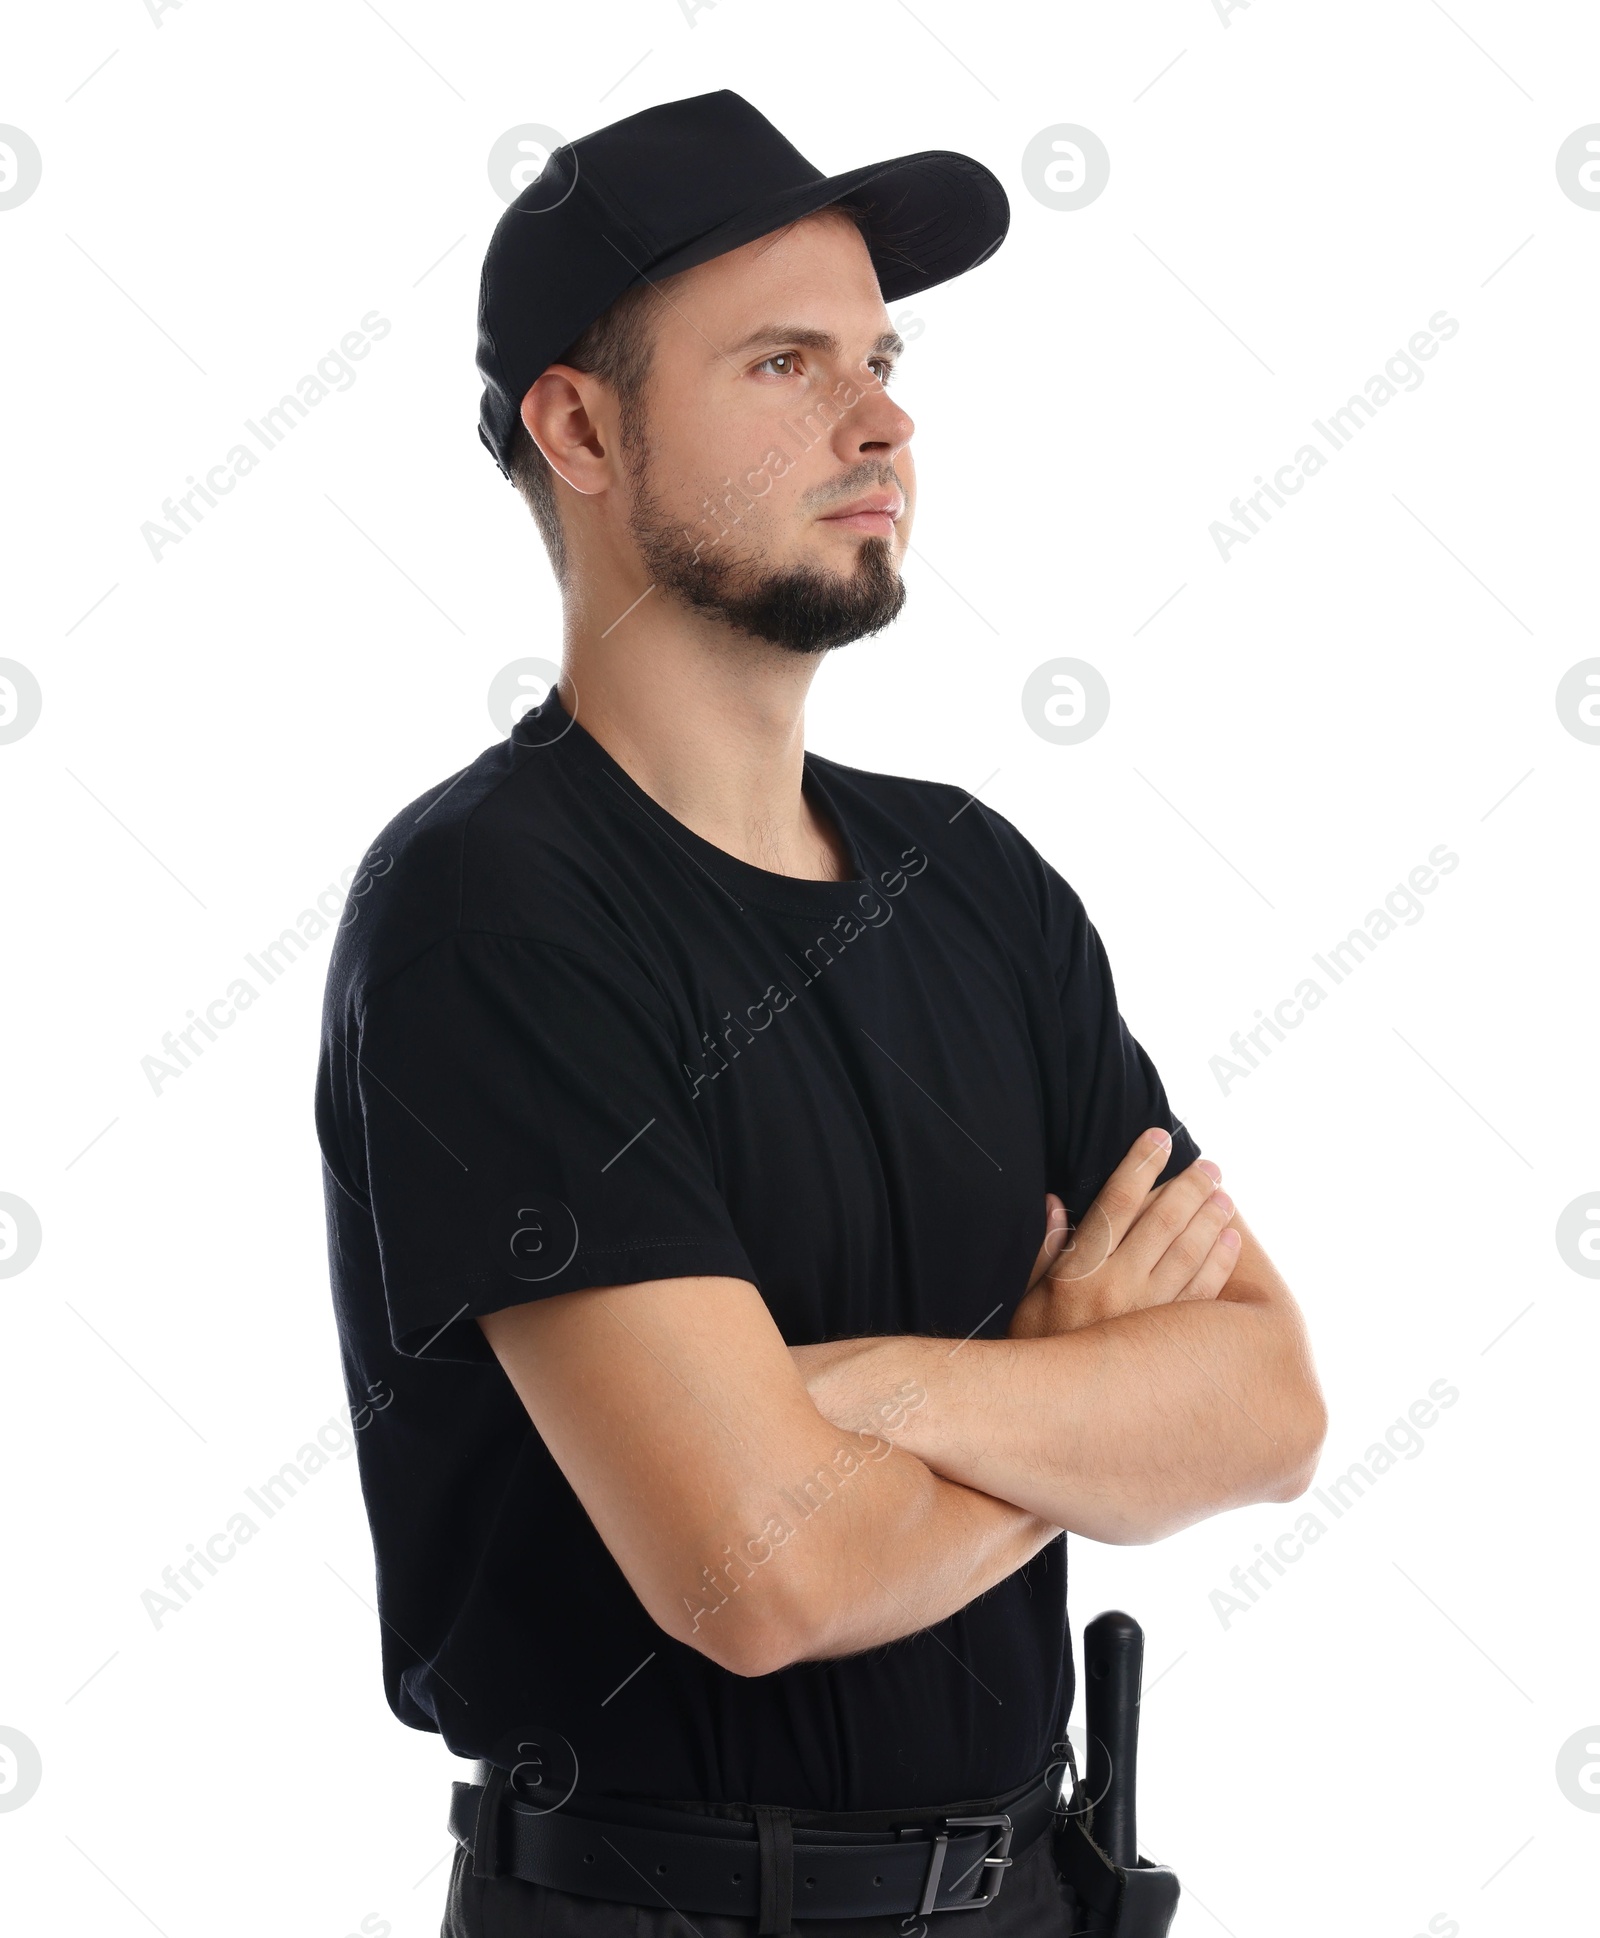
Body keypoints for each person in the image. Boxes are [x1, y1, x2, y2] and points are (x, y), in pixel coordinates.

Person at [314, 90, 1327, 1938]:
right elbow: (758, 1574)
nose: (883, 420)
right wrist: (1078, 1402)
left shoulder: (979, 881)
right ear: (580, 426)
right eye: (786, 362)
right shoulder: (489, 915)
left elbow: (1269, 1405)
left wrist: (884, 1389)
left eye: (880, 355)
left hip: (1039, 1887)